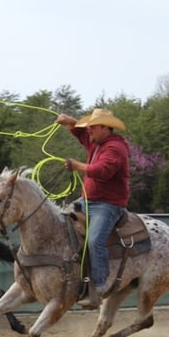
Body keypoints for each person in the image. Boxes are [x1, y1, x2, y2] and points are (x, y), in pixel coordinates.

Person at [56, 108, 130, 309]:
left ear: (105, 128)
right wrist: (72, 122)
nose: (88, 130)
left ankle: (98, 288)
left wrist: (77, 165)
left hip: (108, 204)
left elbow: (103, 171)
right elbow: (81, 134)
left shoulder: (115, 148)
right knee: (59, 224)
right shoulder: (98, 140)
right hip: (88, 200)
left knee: (95, 241)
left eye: (92, 127)